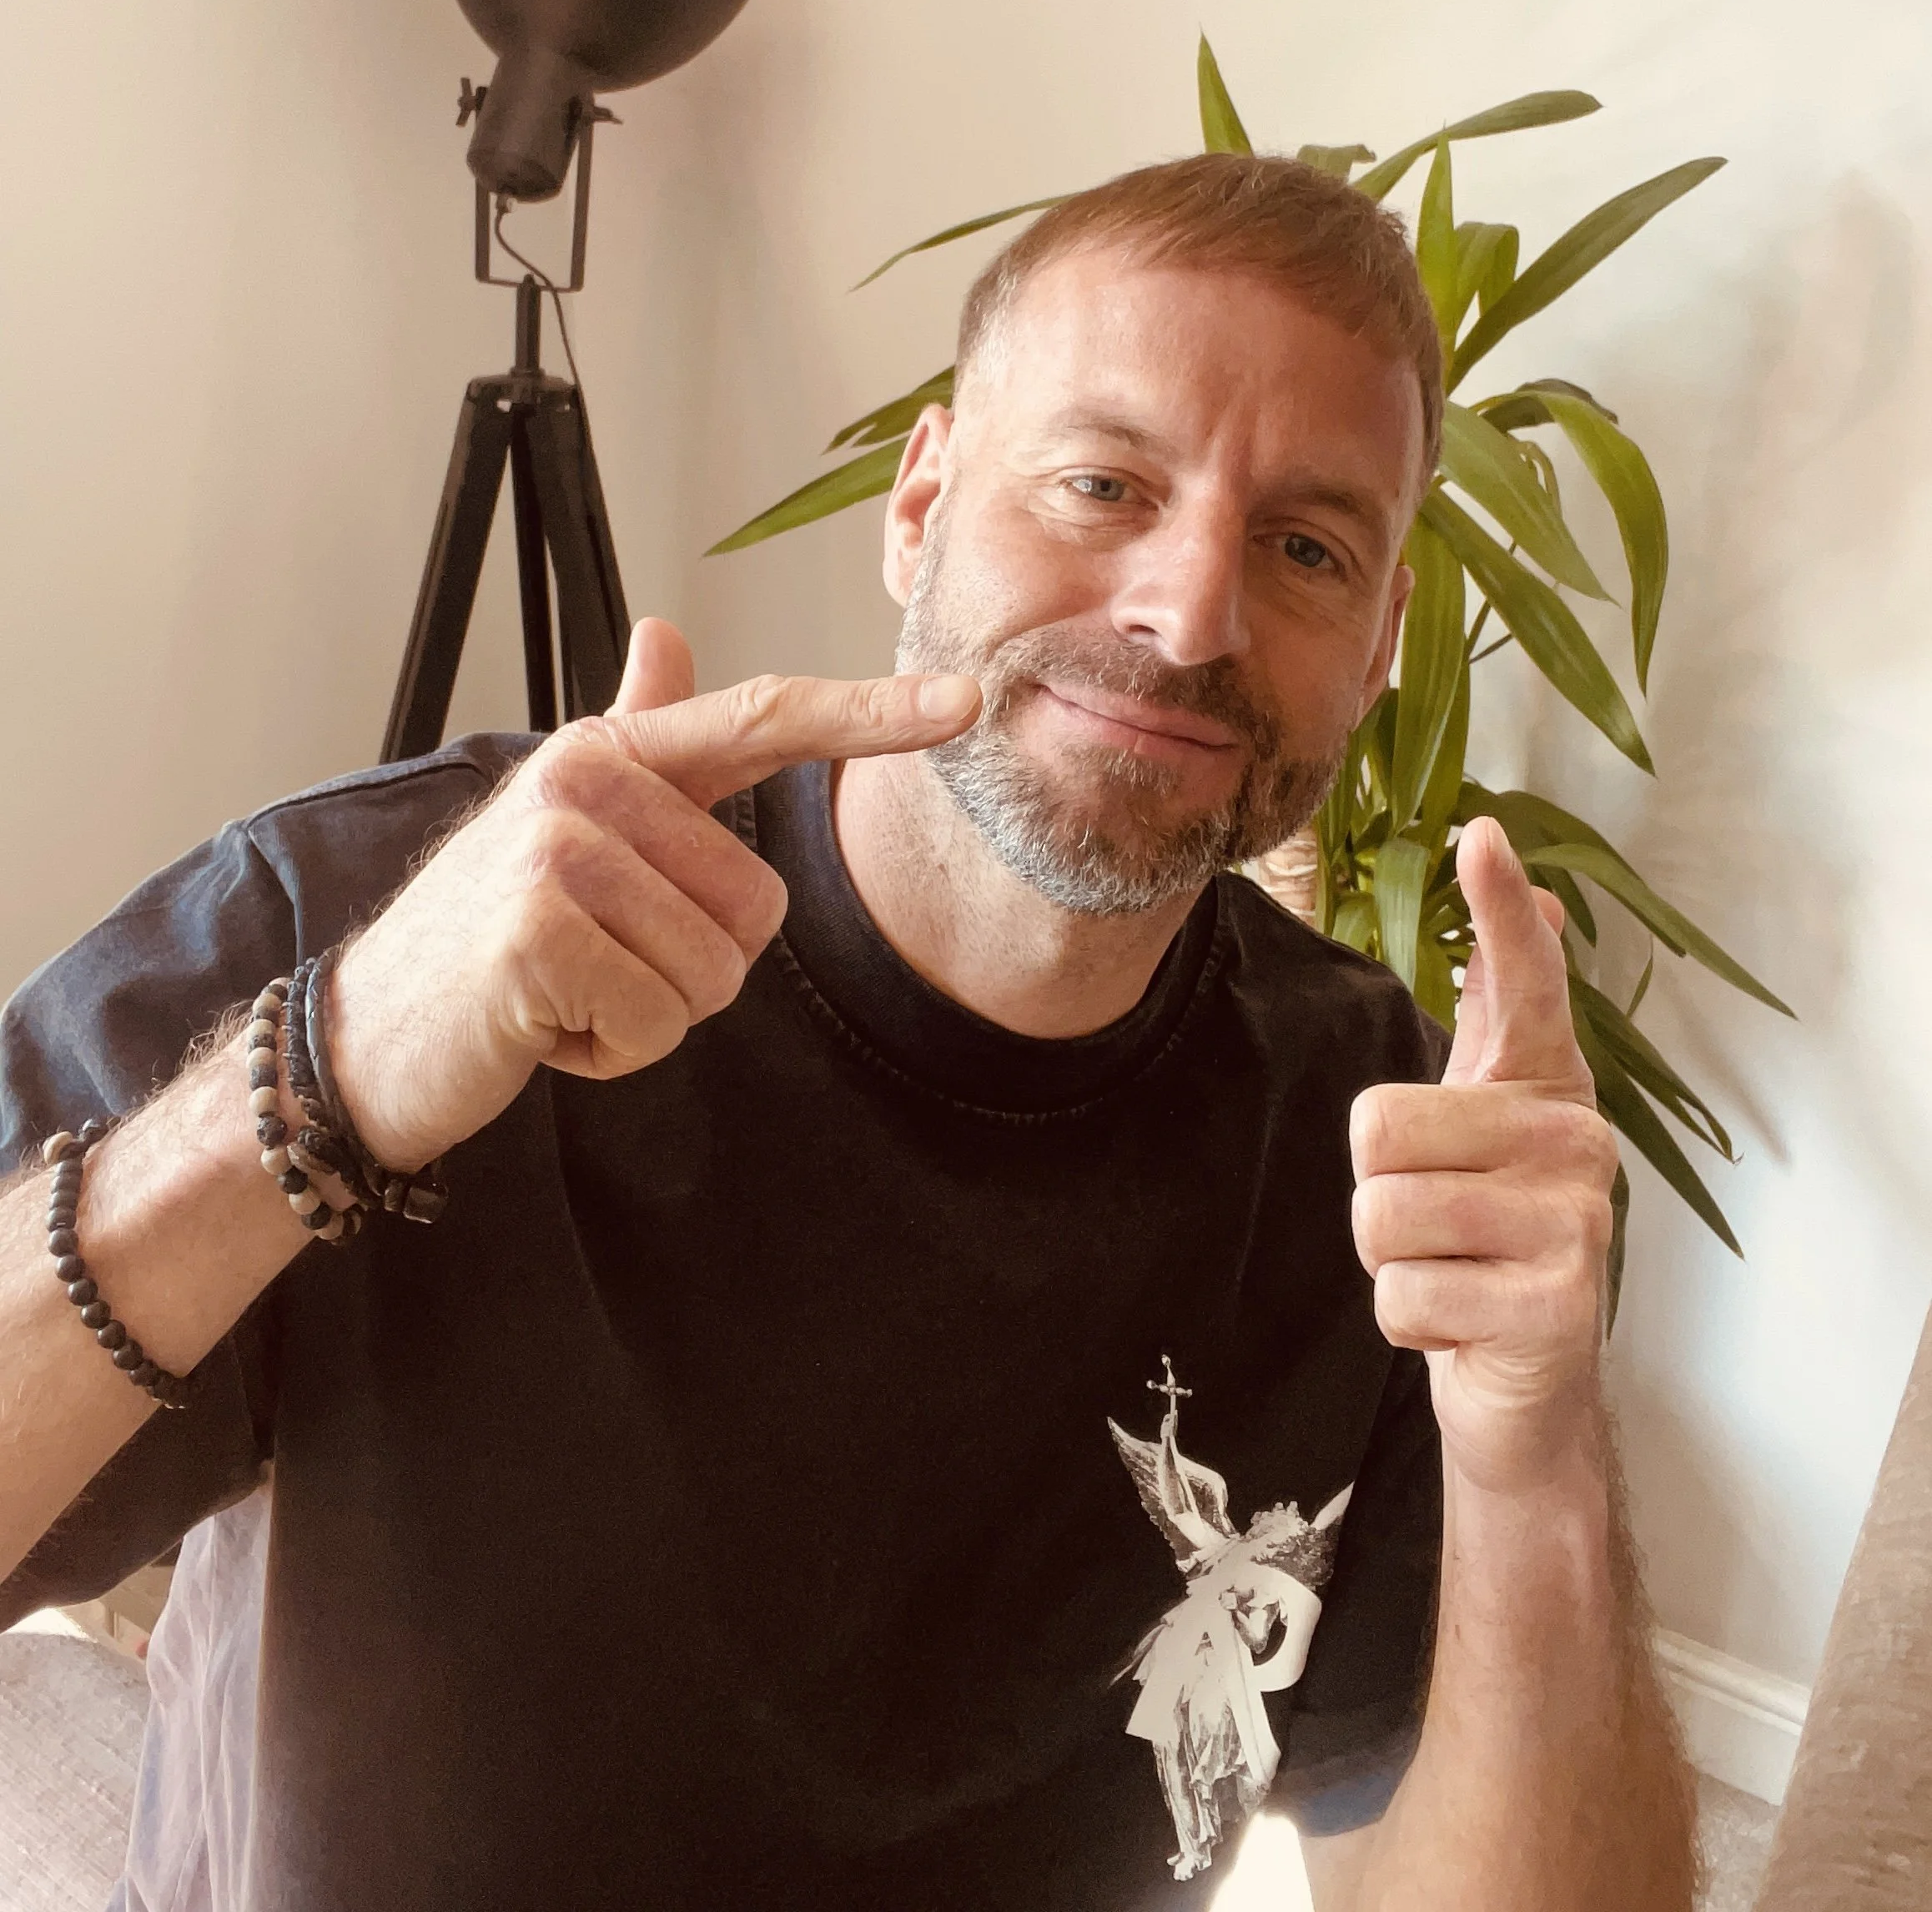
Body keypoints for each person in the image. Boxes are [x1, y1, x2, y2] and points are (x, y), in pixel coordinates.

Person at [0, 153, 1696, 1911]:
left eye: (1307, 545)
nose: (1192, 612)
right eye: (1102, 480)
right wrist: (327, 1073)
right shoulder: (401, 905)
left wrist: (1537, 1448)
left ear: (1379, 643)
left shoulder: (1381, 1138)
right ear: (921, 504)